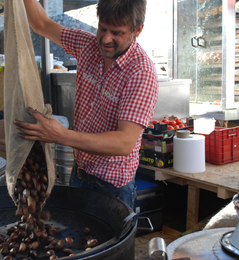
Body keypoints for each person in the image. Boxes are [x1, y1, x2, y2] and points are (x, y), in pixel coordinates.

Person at [14, 0, 159, 209]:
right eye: (102, 28)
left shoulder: (140, 72)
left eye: (117, 33)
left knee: (109, 242)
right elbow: (41, 24)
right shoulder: (87, 45)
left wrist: (61, 135)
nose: (106, 39)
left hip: (113, 188)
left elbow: (124, 142)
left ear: (137, 30)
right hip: (79, 175)